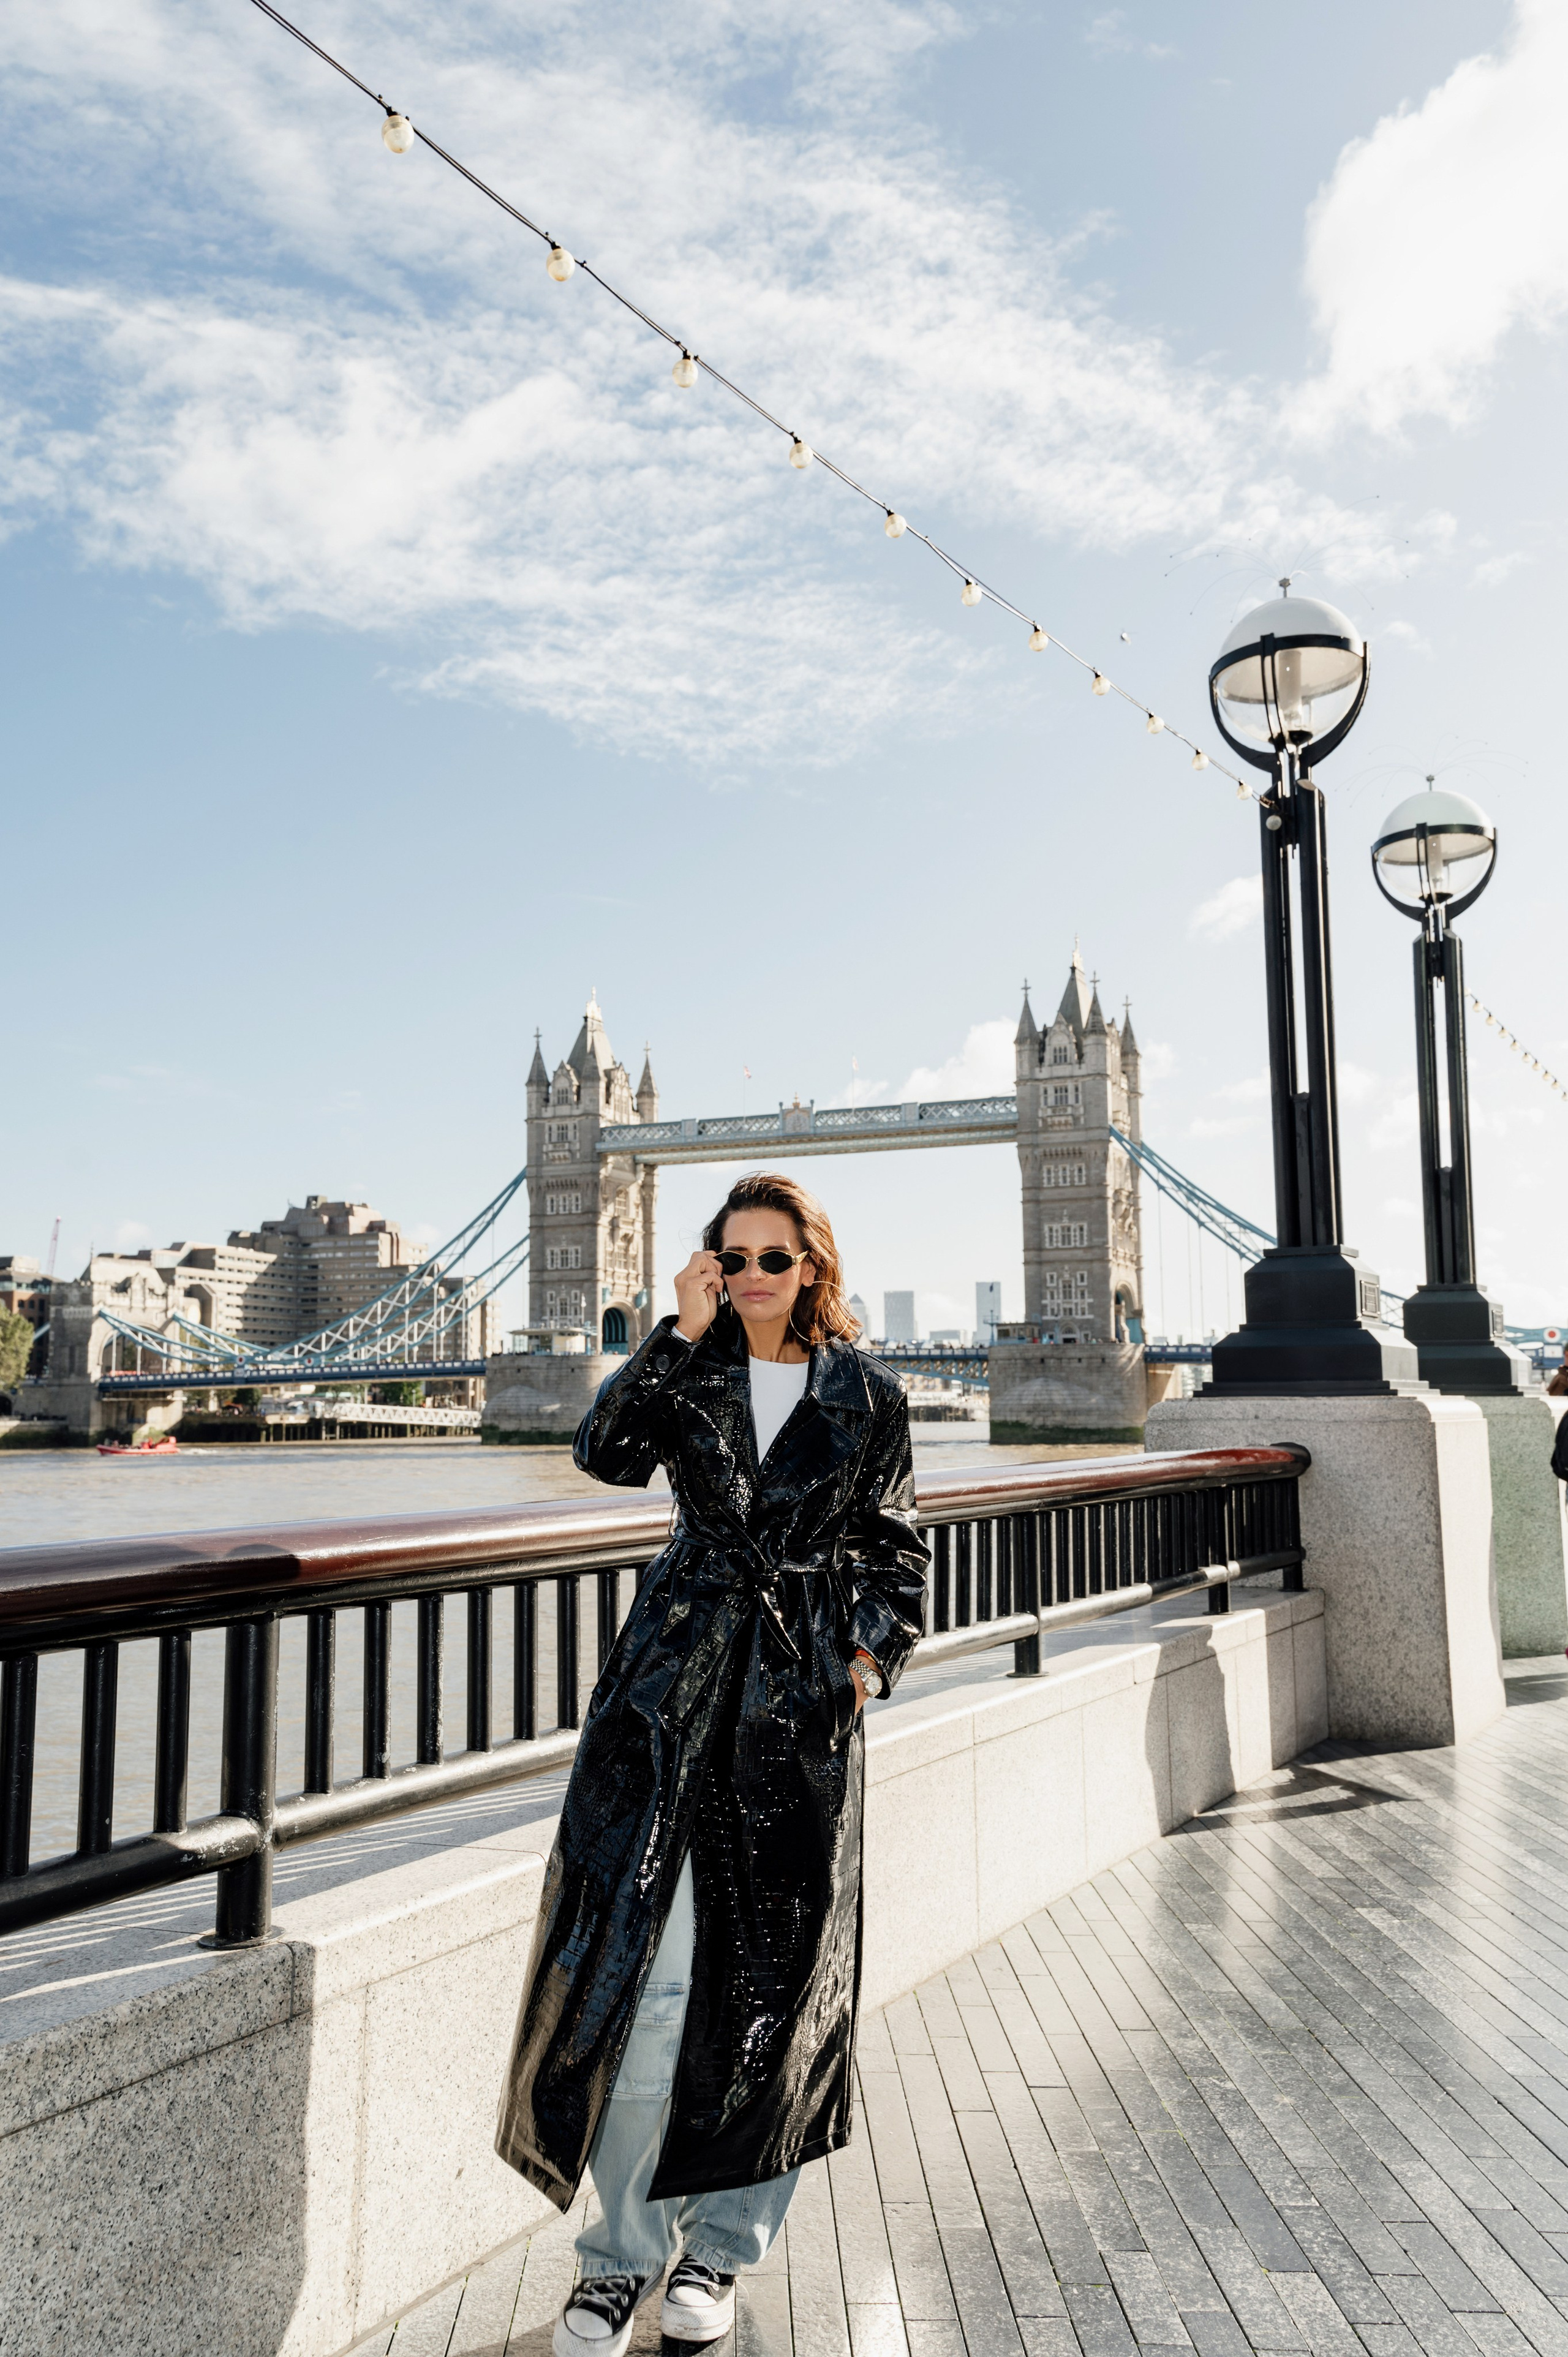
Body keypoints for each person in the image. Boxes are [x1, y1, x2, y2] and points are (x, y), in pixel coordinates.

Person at [497, 1172, 929, 2356]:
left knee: (769, 2004)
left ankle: (722, 2254)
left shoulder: (871, 1397)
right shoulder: (687, 1367)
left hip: (791, 1721)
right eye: (729, 1259)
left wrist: (858, 1667)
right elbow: (602, 1453)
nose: (748, 1279)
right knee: (643, 1985)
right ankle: (617, 2257)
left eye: (771, 1260)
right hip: (667, 1702)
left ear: (814, 1267)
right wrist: (671, 1335)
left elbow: (896, 1559)